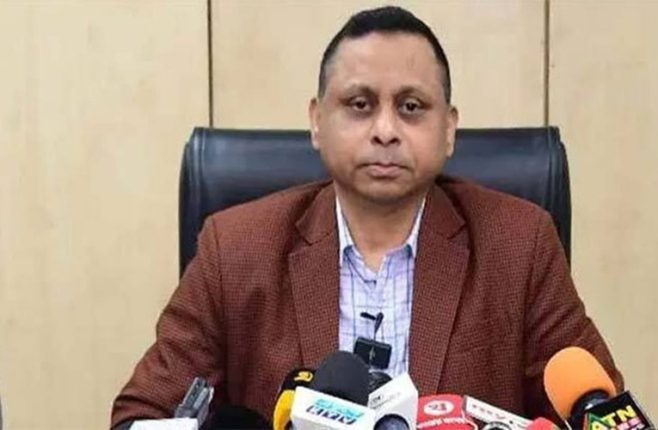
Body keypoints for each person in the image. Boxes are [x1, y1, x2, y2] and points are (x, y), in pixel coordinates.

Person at [111, 6, 622, 428]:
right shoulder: (236, 248)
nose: (385, 130)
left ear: (449, 129)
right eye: (360, 104)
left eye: (411, 107)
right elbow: (143, 414)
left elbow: (599, 410)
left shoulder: (519, 244)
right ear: (317, 121)